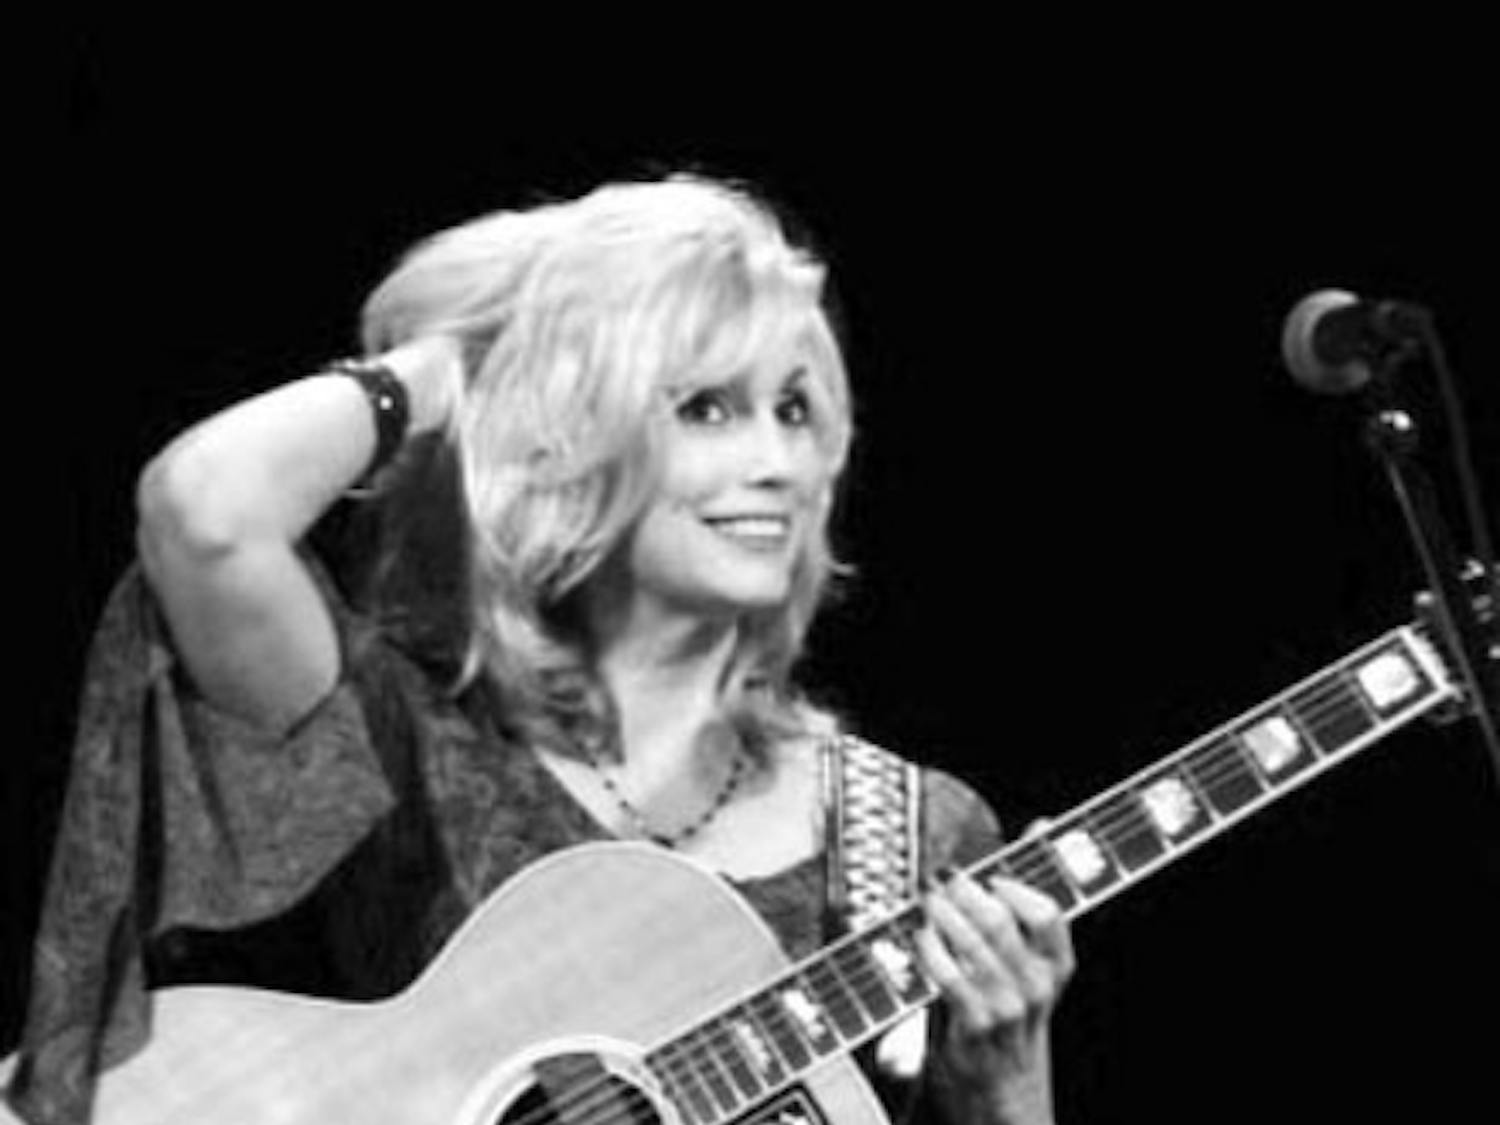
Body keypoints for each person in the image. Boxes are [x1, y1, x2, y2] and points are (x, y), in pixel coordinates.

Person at [5, 173, 1074, 1124]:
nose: (777, 462)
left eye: (797, 412)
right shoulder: (405, 739)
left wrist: (1006, 1089)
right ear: (579, 431)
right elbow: (206, 512)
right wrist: (481, 363)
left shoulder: (914, 835)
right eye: (707, 408)